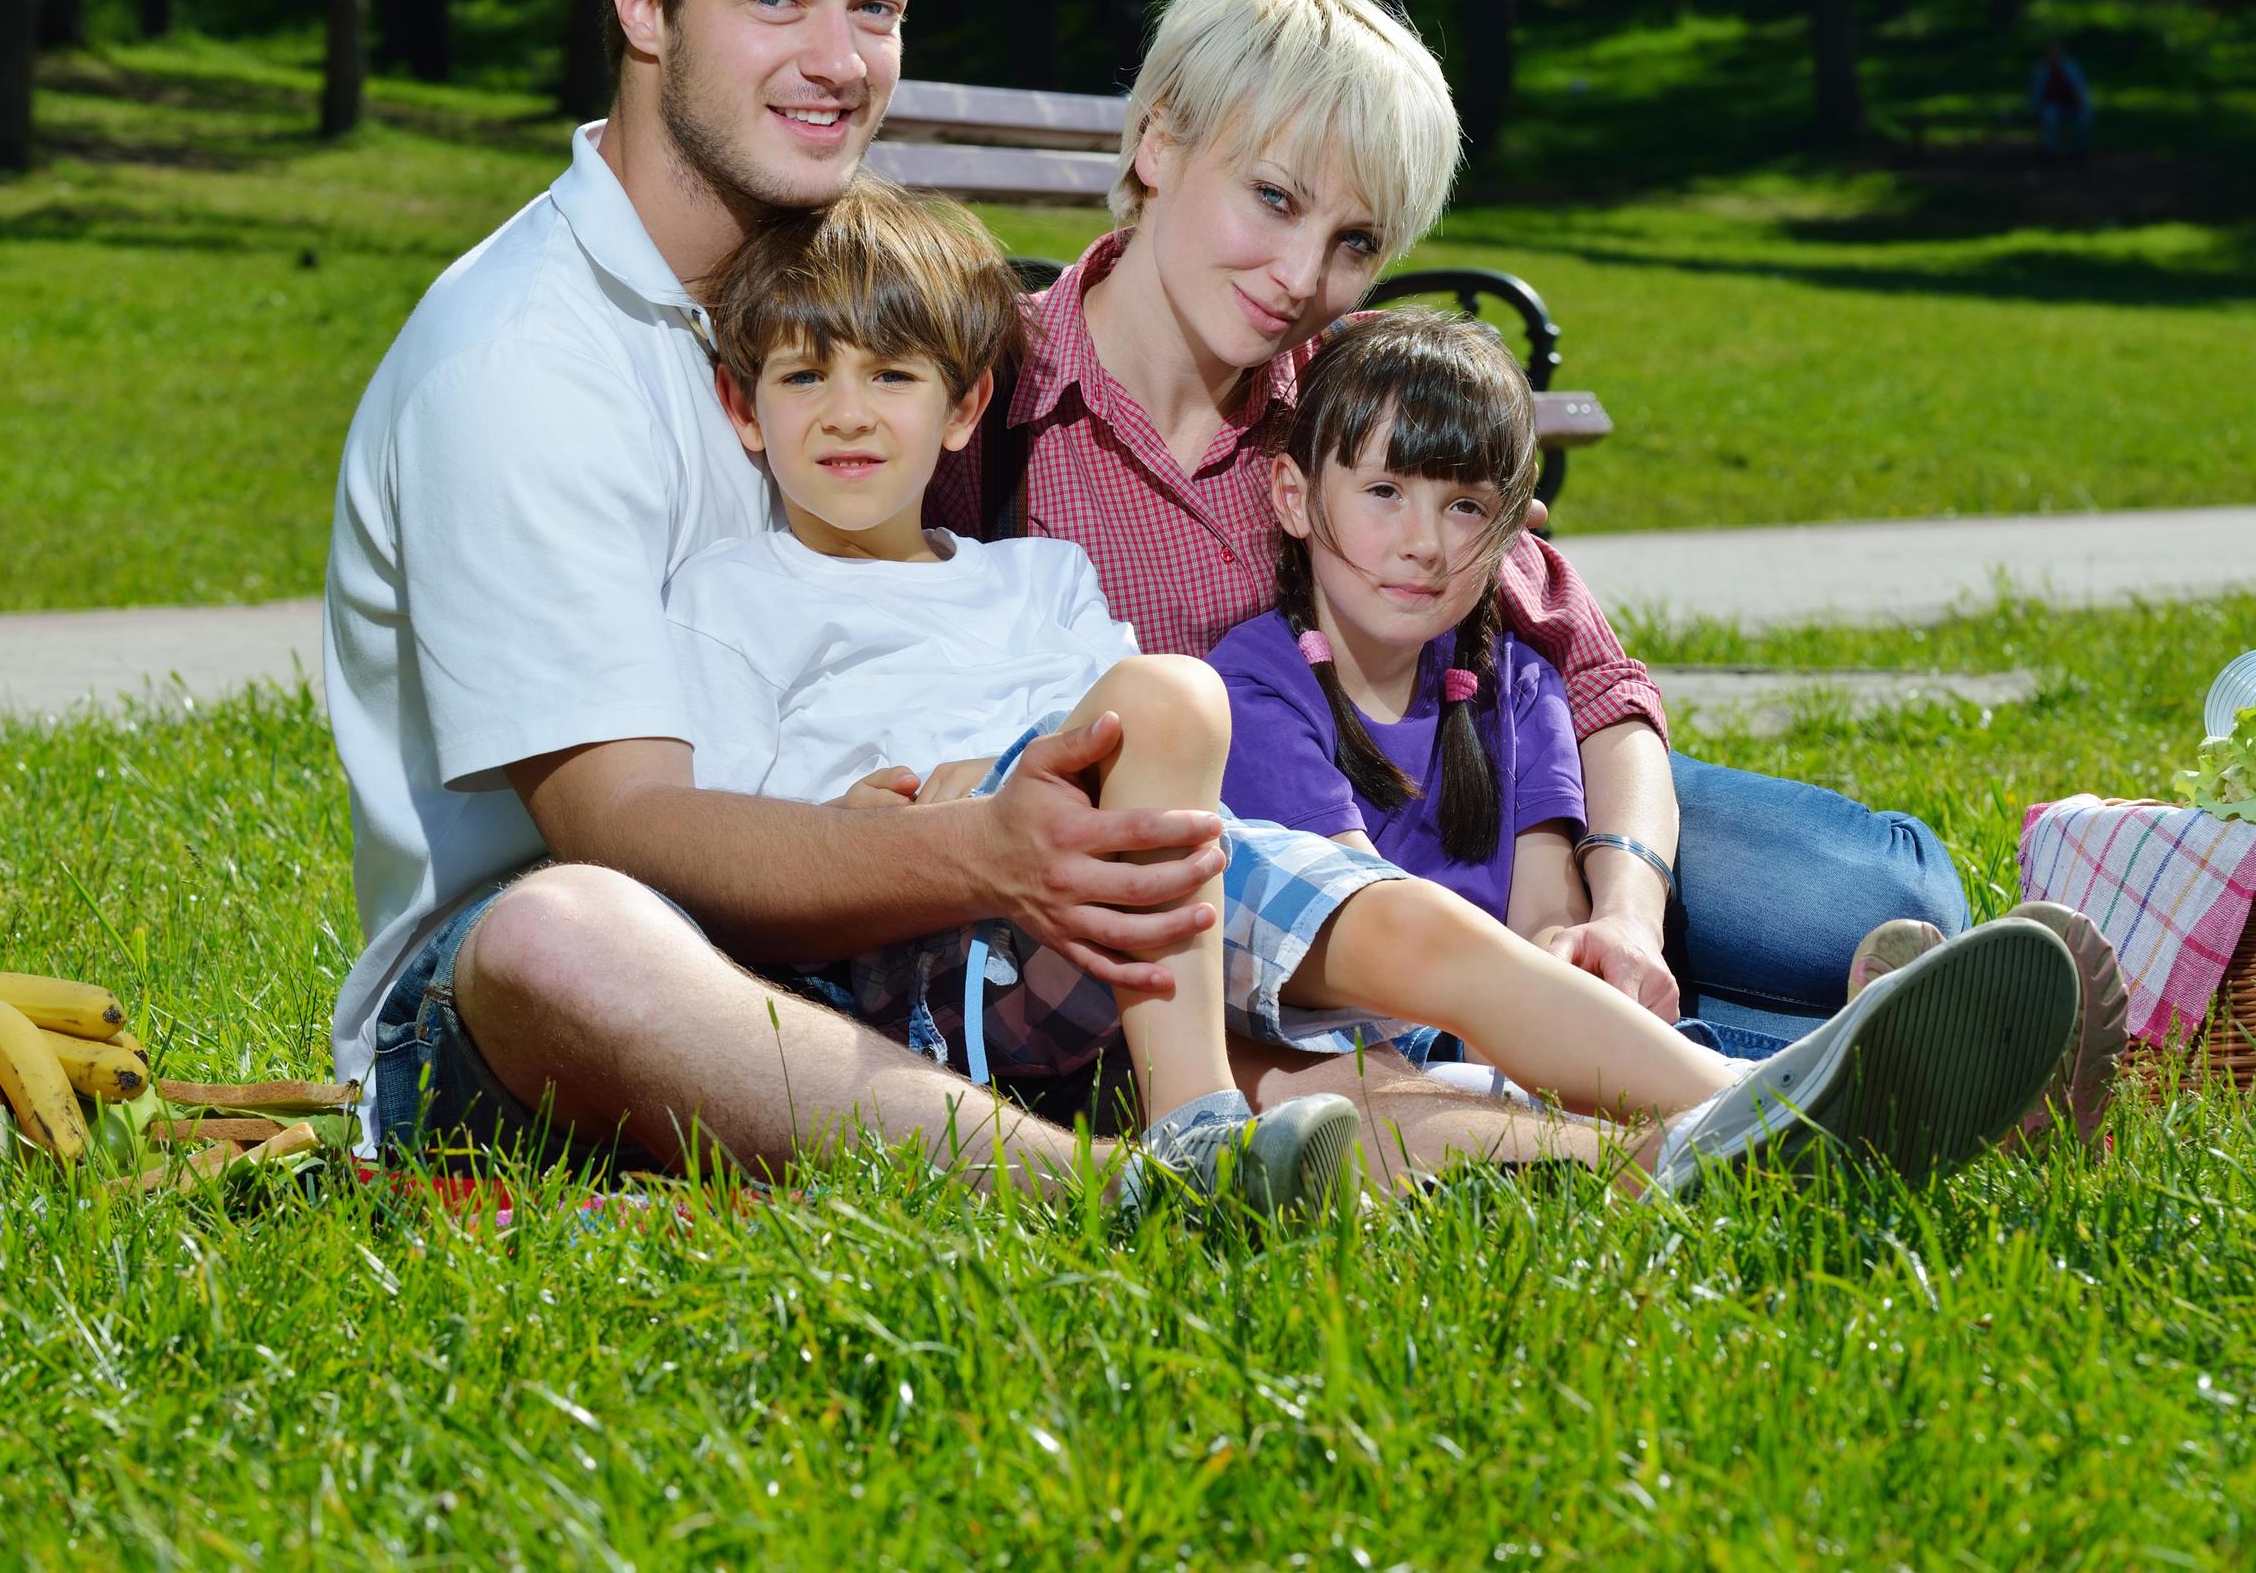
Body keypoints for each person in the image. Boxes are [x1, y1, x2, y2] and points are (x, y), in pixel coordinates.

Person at [324, 0, 1602, 1198]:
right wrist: (986, 852)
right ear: (639, 2)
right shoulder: (519, 357)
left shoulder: (844, 310)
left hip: (890, 932)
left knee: (1266, 986)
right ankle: (1122, 1193)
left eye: (873, 7)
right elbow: (619, 829)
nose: (836, 57)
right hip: (564, 983)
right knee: (560, 931)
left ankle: (1696, 1139)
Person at [675, 184, 2082, 1190]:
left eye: (890, 375)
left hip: (1150, 888)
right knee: (1171, 708)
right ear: (745, 410)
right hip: (957, 922)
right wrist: (862, 819)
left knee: (1394, 1012)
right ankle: (1194, 1128)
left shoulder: (1022, 576)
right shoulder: (735, 600)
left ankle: (1717, 1134)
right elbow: (727, 842)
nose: (848, 412)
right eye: (803, 380)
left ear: (959, 406)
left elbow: (1565, 665)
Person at [928, 0, 1971, 1072]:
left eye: (1354, 242)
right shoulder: (990, 396)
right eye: (1272, 198)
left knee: (1882, 888)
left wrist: (1619, 906)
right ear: (1158, 141)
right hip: (1258, 914)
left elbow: (1592, 680)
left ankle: (1783, 1029)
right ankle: (1847, 1061)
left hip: (1461, 817)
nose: (1297, 274)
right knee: (1831, 976)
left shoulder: (1352, 393)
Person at [2029, 42, 2093, 155]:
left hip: (2071, 105)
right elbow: (2036, 92)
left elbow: (2080, 89)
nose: (2054, 56)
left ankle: (2080, 149)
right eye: (2051, 53)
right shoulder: (2041, 71)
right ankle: (2051, 151)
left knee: (2084, 118)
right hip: (2052, 106)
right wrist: (2035, 110)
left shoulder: (2071, 68)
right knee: (2050, 118)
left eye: (2057, 53)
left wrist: (2083, 105)